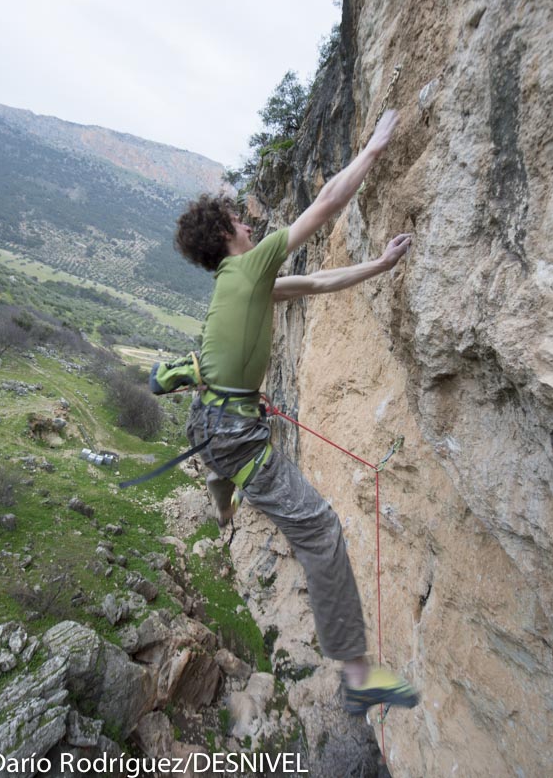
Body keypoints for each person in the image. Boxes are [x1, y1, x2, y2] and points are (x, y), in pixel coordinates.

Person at [174, 110, 419, 716]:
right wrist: (373, 150)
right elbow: (329, 203)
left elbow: (317, 283)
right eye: (239, 218)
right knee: (320, 531)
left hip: (208, 425)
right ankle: (359, 673)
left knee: (229, 463)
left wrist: (381, 265)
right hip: (235, 436)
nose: (247, 221)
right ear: (228, 235)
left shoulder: (241, 282)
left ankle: (221, 495)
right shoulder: (249, 265)